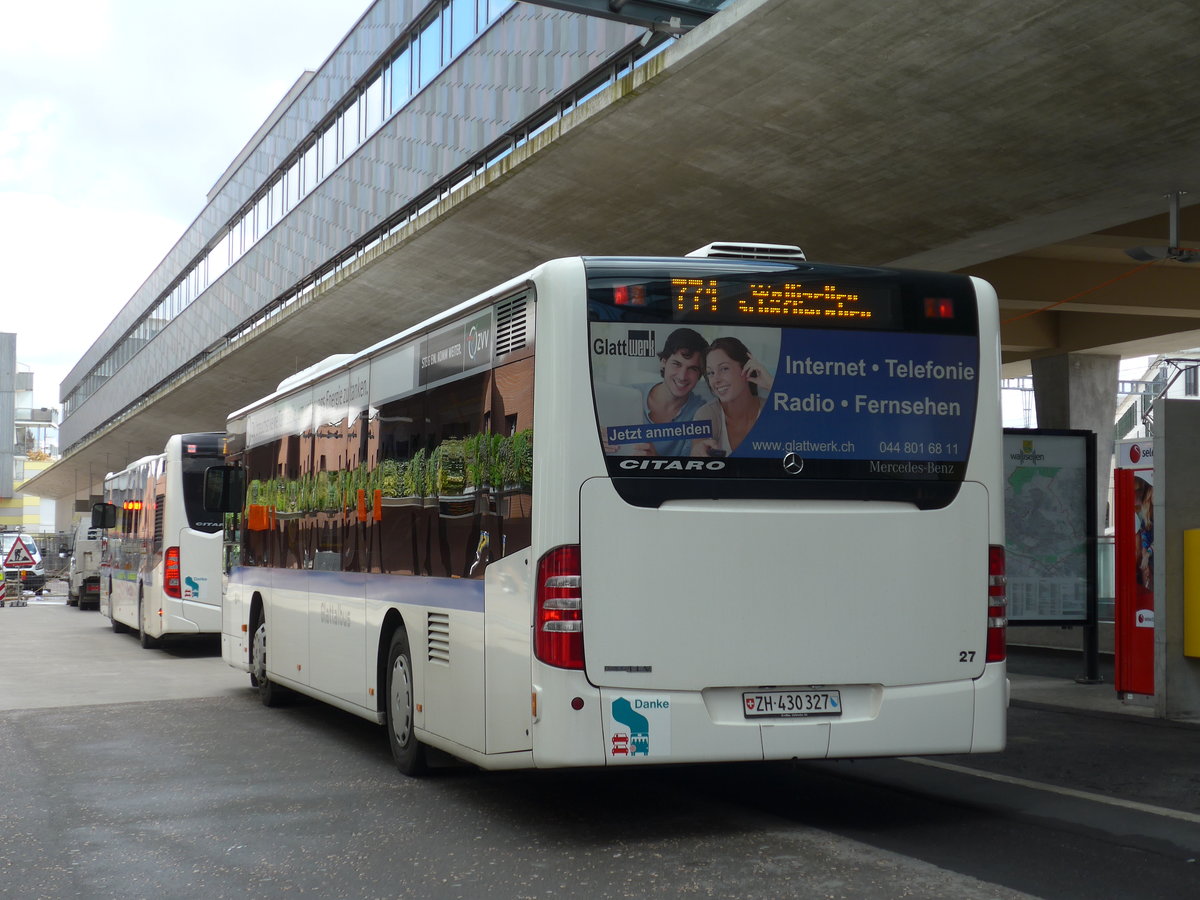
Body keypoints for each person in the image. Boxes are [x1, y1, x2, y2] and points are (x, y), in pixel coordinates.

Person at [603, 328, 709, 456]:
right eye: (676, 364)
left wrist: (655, 460)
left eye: (692, 369)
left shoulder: (703, 413)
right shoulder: (628, 396)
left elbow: (691, 472)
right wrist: (597, 438)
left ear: (700, 374)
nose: (682, 376)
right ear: (663, 362)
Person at [690, 336, 773, 457]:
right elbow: (698, 451)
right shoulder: (706, 414)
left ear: (746, 367)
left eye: (724, 369)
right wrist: (697, 452)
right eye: (711, 373)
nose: (716, 380)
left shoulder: (772, 409)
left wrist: (771, 384)